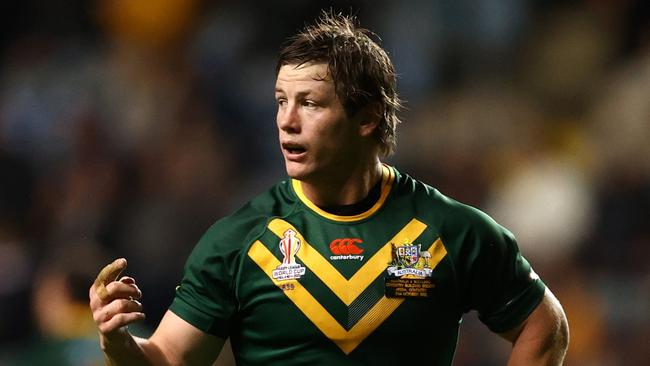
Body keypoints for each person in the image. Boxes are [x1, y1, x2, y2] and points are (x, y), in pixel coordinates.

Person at [89, 11, 569, 365]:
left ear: (367, 117)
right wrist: (118, 344)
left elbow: (543, 323)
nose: (286, 122)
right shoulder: (238, 241)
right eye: (281, 101)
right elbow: (168, 361)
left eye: (311, 103)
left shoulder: (450, 230)